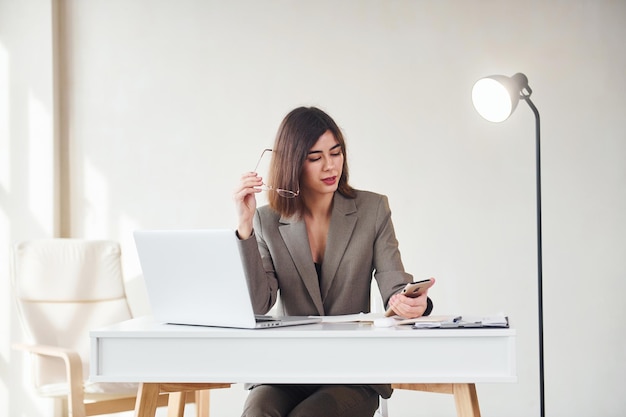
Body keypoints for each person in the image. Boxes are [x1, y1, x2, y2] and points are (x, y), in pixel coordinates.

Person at [233, 106, 435, 417]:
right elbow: (259, 304)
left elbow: (395, 285)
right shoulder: (266, 220)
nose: (330, 166)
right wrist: (244, 226)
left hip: (352, 373)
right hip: (288, 370)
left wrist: (411, 302)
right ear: (293, 163)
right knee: (257, 412)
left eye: (336, 153)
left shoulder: (372, 209)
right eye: (315, 158)